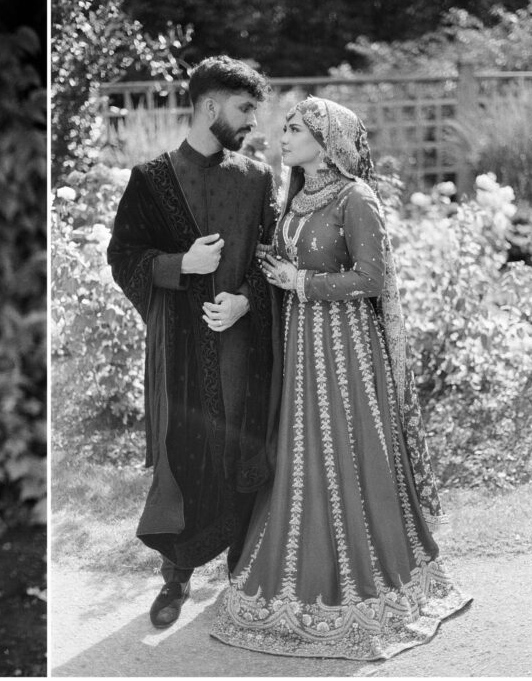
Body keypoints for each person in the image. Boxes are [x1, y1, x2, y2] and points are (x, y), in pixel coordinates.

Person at [211, 97, 471, 659]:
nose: (284, 136)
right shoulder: (296, 199)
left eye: (296, 129)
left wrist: (302, 281)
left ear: (327, 142)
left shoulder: (358, 197)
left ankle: (367, 580)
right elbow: (281, 266)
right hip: (302, 345)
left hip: (348, 348)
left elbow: (373, 278)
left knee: (350, 451)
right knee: (302, 452)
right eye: (284, 127)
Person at [107, 56, 282, 629]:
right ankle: (175, 580)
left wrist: (246, 302)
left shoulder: (256, 179)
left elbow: (274, 256)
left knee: (243, 446)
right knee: (182, 454)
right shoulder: (150, 179)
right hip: (179, 351)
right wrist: (181, 263)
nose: (254, 120)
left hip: (242, 350)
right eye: (245, 108)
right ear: (211, 106)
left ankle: (243, 573)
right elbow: (123, 257)